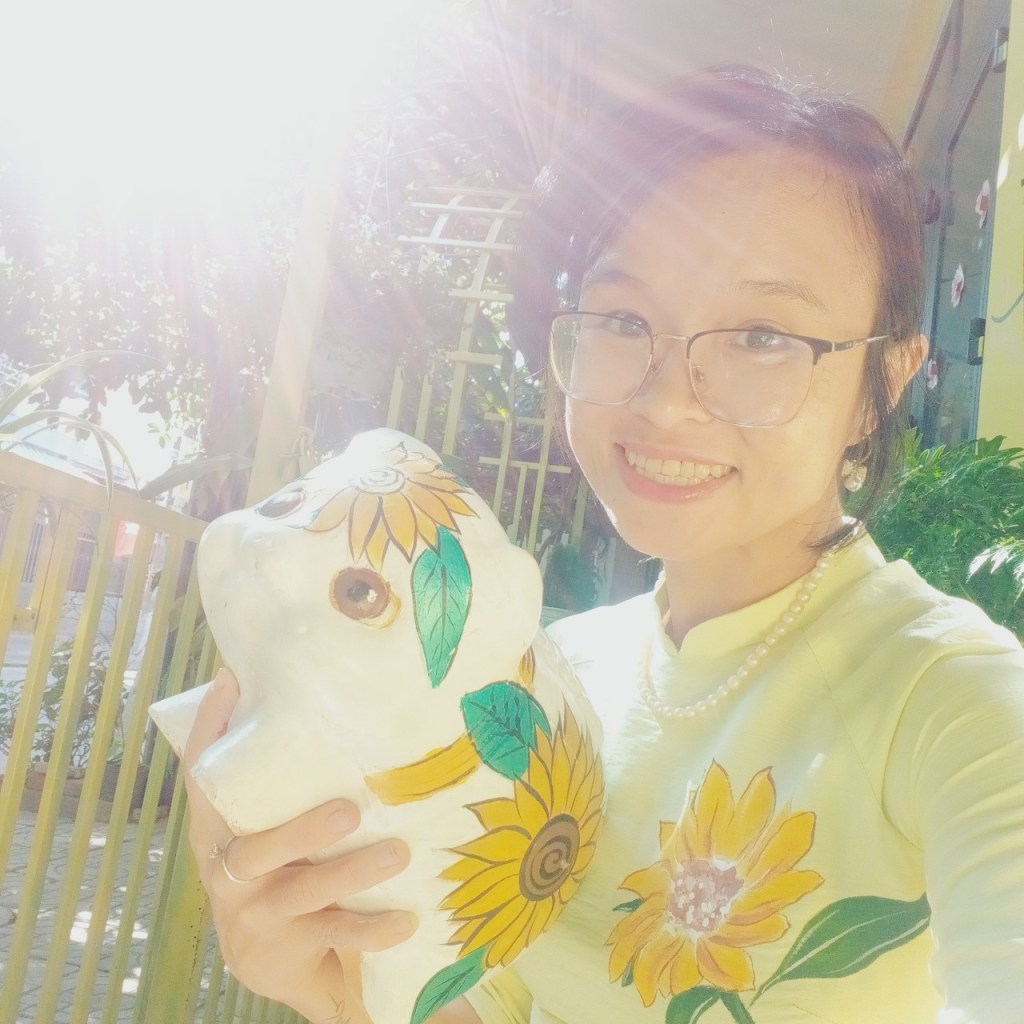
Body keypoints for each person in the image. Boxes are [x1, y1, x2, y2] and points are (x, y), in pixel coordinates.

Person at [183, 66, 1024, 1023]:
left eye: (760, 335)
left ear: (886, 381)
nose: (667, 400)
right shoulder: (539, 683)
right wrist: (331, 989)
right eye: (625, 320)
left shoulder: (955, 701)